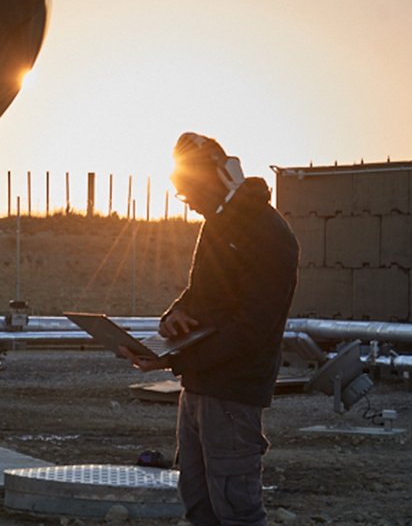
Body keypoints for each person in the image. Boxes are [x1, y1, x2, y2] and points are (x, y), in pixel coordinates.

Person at [120, 132, 298, 526]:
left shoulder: (267, 234)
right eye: (185, 196)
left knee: (236, 510)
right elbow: (199, 294)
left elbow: (253, 329)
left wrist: (173, 357)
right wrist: (172, 320)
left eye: (193, 193)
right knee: (198, 504)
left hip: (233, 393)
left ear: (219, 175)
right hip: (199, 388)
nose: (192, 204)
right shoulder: (218, 224)